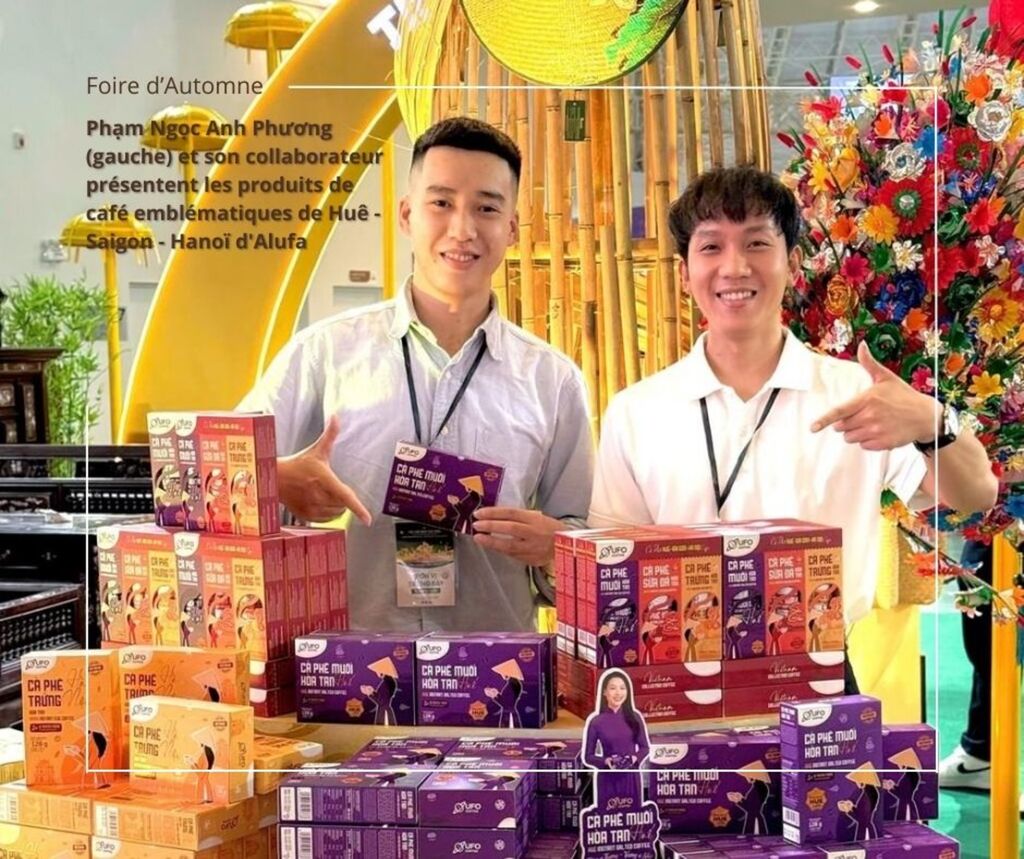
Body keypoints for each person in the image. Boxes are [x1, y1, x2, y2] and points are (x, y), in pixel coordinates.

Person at [589, 166, 998, 688]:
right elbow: (614, 563)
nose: (735, 267)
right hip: (676, 669)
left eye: (757, 243)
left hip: (818, 666)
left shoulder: (853, 393)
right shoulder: (638, 411)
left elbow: (976, 494)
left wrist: (930, 421)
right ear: (683, 274)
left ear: (793, 263)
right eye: (711, 247)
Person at [240, 117, 593, 633]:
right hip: (345, 664)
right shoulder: (324, 354)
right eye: (441, 202)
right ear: (407, 214)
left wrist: (556, 548)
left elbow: (585, 541)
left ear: (513, 228)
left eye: (487, 208)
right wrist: (275, 482)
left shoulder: (553, 382)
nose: (462, 229)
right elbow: (213, 477)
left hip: (493, 670)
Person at [582, 670, 650, 812]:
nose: (618, 693)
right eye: (613, 688)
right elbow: (588, 756)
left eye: (622, 688)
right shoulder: (596, 722)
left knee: (632, 817)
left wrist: (634, 758)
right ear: (604, 692)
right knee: (609, 818)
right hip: (608, 778)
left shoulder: (635, 718)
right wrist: (605, 761)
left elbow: (645, 747)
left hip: (630, 777)